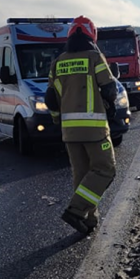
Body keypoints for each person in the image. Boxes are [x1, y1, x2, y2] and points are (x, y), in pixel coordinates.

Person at [45, 15, 118, 235]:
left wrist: (58, 120)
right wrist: (110, 107)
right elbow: (109, 88)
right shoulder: (95, 57)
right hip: (95, 129)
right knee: (106, 170)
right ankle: (76, 211)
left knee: (82, 174)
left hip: (70, 131)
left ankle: (88, 220)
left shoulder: (58, 63)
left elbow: (50, 98)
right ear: (92, 35)